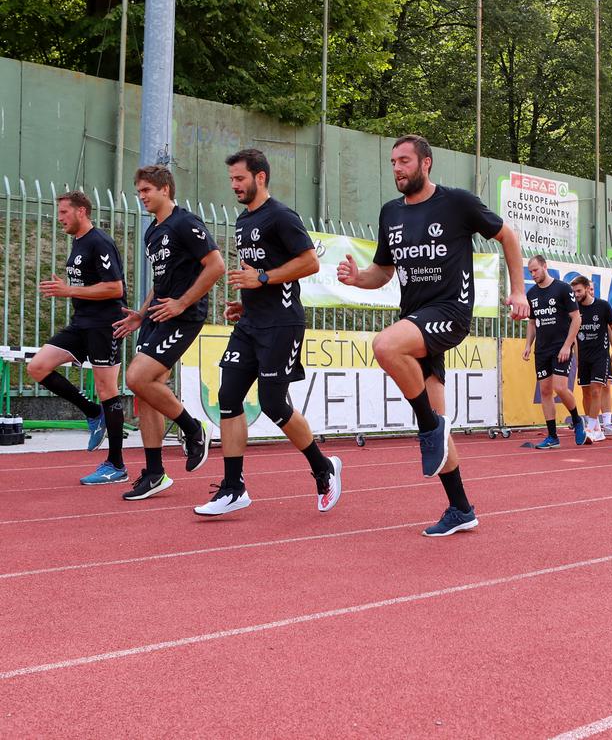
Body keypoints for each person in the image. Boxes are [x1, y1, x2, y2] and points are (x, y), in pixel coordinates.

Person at [338, 135, 529, 535]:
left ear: (426, 163)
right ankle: (460, 508)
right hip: (415, 319)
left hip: (450, 313)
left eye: (404, 161)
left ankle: (427, 426)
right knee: (440, 428)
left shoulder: (457, 202)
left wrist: (517, 290)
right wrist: (358, 280)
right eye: (392, 162)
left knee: (384, 345)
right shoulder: (390, 213)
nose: (397, 168)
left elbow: (507, 236)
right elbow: (384, 272)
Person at [195, 148, 343, 516]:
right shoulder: (242, 221)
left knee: (274, 404)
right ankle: (233, 488)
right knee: (228, 396)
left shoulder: (281, 216)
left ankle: (323, 468)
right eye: (231, 179)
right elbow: (258, 273)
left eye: (240, 178)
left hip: (282, 324)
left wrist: (260, 279)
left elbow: (309, 261)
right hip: (250, 324)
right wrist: (246, 302)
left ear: (260, 177)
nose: (234, 185)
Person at [114, 165, 225, 500]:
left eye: (147, 190)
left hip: (183, 316)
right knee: (146, 390)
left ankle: (194, 429)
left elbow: (216, 266)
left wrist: (180, 303)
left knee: (137, 377)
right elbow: (160, 282)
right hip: (157, 316)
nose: (142, 197)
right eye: (139, 191)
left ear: (165, 189)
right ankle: (154, 472)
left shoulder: (185, 222)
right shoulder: (152, 232)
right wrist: (141, 314)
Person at [28, 191, 128, 484]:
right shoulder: (78, 242)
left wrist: (69, 290)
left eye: (63, 213)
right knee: (38, 366)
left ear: (81, 211)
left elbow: (115, 289)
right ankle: (91, 411)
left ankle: (117, 465)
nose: (59, 219)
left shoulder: (100, 241)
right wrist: (69, 289)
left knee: (107, 389)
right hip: (81, 324)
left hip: (104, 326)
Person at [523, 255, 583, 448]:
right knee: (545, 391)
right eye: (530, 271)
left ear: (545, 267)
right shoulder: (531, 294)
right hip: (541, 350)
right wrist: (527, 346)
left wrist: (567, 345)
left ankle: (576, 420)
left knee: (559, 387)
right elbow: (532, 323)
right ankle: (552, 436)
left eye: (535, 270)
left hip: (561, 347)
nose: (533, 274)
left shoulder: (563, 288)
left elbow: (576, 319)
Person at [570, 275, 612, 442]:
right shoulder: (574, 309)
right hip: (583, 357)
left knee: (597, 389)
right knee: (586, 392)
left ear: (587, 288)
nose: (576, 294)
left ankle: (590, 429)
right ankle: (597, 428)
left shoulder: (603, 306)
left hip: (600, 356)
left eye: (578, 291)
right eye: (574, 291)